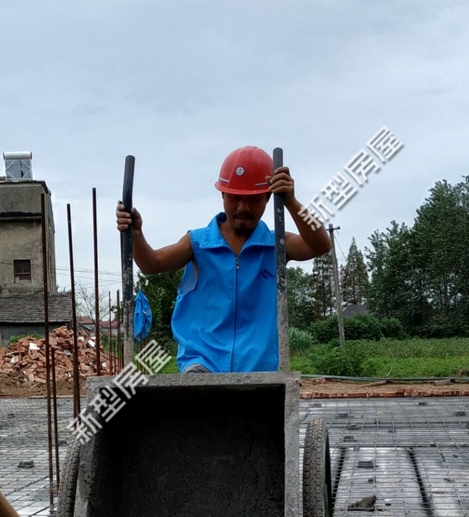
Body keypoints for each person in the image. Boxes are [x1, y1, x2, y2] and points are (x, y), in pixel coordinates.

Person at [116, 146, 332, 372]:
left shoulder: (276, 245)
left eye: (253, 199)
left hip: (259, 367)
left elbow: (320, 245)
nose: (242, 207)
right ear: (222, 195)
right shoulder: (198, 243)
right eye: (235, 197)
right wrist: (136, 235)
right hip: (202, 362)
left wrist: (292, 203)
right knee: (201, 387)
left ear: (268, 197)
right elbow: (151, 264)